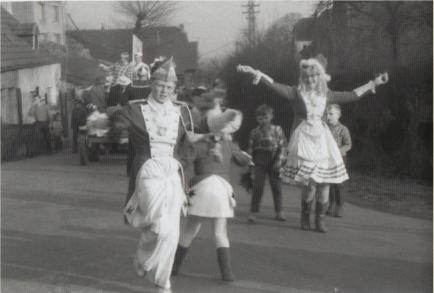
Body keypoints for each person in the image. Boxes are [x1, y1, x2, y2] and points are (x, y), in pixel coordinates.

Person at [237, 55, 388, 233]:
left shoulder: (328, 95)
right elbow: (275, 85)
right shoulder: (295, 92)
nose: (311, 79)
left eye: (314, 75)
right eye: (307, 76)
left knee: (324, 182)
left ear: (320, 76)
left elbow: (353, 95)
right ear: (303, 77)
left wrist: (374, 83)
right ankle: (305, 216)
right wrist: (256, 73)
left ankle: (320, 219)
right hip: (304, 141)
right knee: (310, 184)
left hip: (323, 141)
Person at [112, 57, 215, 293]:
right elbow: (117, 120)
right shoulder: (136, 108)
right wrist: (112, 123)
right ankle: (143, 259)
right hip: (147, 172)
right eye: (160, 85)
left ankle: (162, 282)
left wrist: (182, 160)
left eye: (169, 87)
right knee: (159, 227)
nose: (164, 91)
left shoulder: (183, 112)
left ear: (174, 89)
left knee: (172, 232)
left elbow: (191, 142)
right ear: (151, 83)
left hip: (172, 174)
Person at [171, 87, 251, 282]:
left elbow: (182, 163)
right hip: (222, 191)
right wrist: (246, 157)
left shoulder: (197, 144)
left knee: (190, 229)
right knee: (220, 233)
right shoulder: (229, 144)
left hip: (202, 189)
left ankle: (174, 267)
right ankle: (227, 273)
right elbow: (242, 161)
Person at [247, 104, 287, 223]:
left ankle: (279, 211)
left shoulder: (277, 130)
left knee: (276, 186)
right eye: (260, 118)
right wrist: (250, 166)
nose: (263, 120)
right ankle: (253, 212)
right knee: (258, 186)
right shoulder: (254, 132)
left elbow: (283, 146)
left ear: (271, 117)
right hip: (260, 159)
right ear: (256, 119)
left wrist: (279, 162)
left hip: (274, 157)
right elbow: (250, 149)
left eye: (265, 117)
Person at [326, 104, 352, 217]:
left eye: (331, 114)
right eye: (327, 114)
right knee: (329, 183)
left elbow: (348, 144)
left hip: (340, 159)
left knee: (339, 183)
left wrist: (338, 151)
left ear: (338, 115)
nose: (328, 116)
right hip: (327, 158)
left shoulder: (343, 129)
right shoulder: (325, 128)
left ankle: (339, 206)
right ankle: (331, 204)